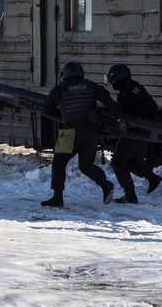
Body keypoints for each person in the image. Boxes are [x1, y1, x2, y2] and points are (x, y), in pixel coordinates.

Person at [39, 60, 120, 208]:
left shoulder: (60, 89)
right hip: (91, 132)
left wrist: (60, 114)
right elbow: (111, 104)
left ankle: (57, 198)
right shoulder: (91, 86)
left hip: (70, 132)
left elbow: (46, 109)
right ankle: (105, 184)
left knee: (59, 163)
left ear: (65, 75)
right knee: (86, 165)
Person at [105, 63, 162, 204]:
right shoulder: (131, 88)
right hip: (139, 129)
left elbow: (140, 110)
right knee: (127, 160)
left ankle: (130, 195)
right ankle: (152, 178)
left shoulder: (131, 90)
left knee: (118, 162)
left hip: (137, 129)